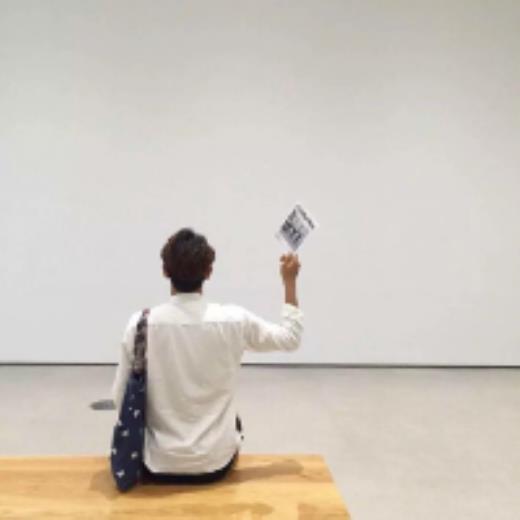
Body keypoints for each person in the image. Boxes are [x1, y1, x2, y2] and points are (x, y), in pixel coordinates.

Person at [111, 228, 303, 484]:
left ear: (165, 271)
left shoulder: (140, 325)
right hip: (216, 462)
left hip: (157, 463)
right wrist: (289, 282)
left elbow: (119, 397)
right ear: (209, 271)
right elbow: (290, 338)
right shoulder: (234, 320)